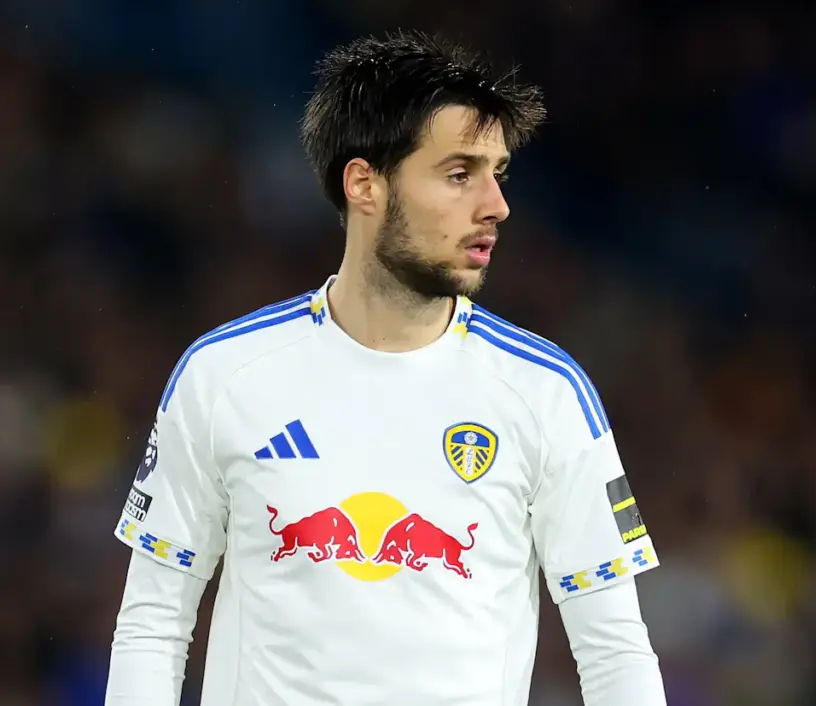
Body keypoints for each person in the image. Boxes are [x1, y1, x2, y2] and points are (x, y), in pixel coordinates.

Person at [105, 31, 666, 706]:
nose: (495, 204)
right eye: (459, 174)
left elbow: (614, 652)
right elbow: (152, 625)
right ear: (364, 184)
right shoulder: (224, 376)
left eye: (498, 173)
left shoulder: (546, 393)